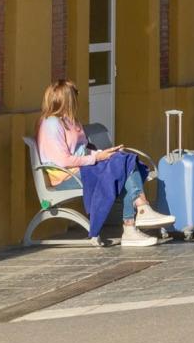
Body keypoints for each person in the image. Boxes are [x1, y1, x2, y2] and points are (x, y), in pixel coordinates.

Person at [35, 80, 174, 247]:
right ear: (66, 98)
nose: (78, 96)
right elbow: (63, 160)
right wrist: (97, 158)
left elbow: (83, 151)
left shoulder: (70, 121)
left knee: (125, 160)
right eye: (75, 93)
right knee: (122, 166)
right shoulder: (51, 123)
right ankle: (137, 216)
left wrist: (104, 154)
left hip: (81, 169)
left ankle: (138, 216)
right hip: (66, 177)